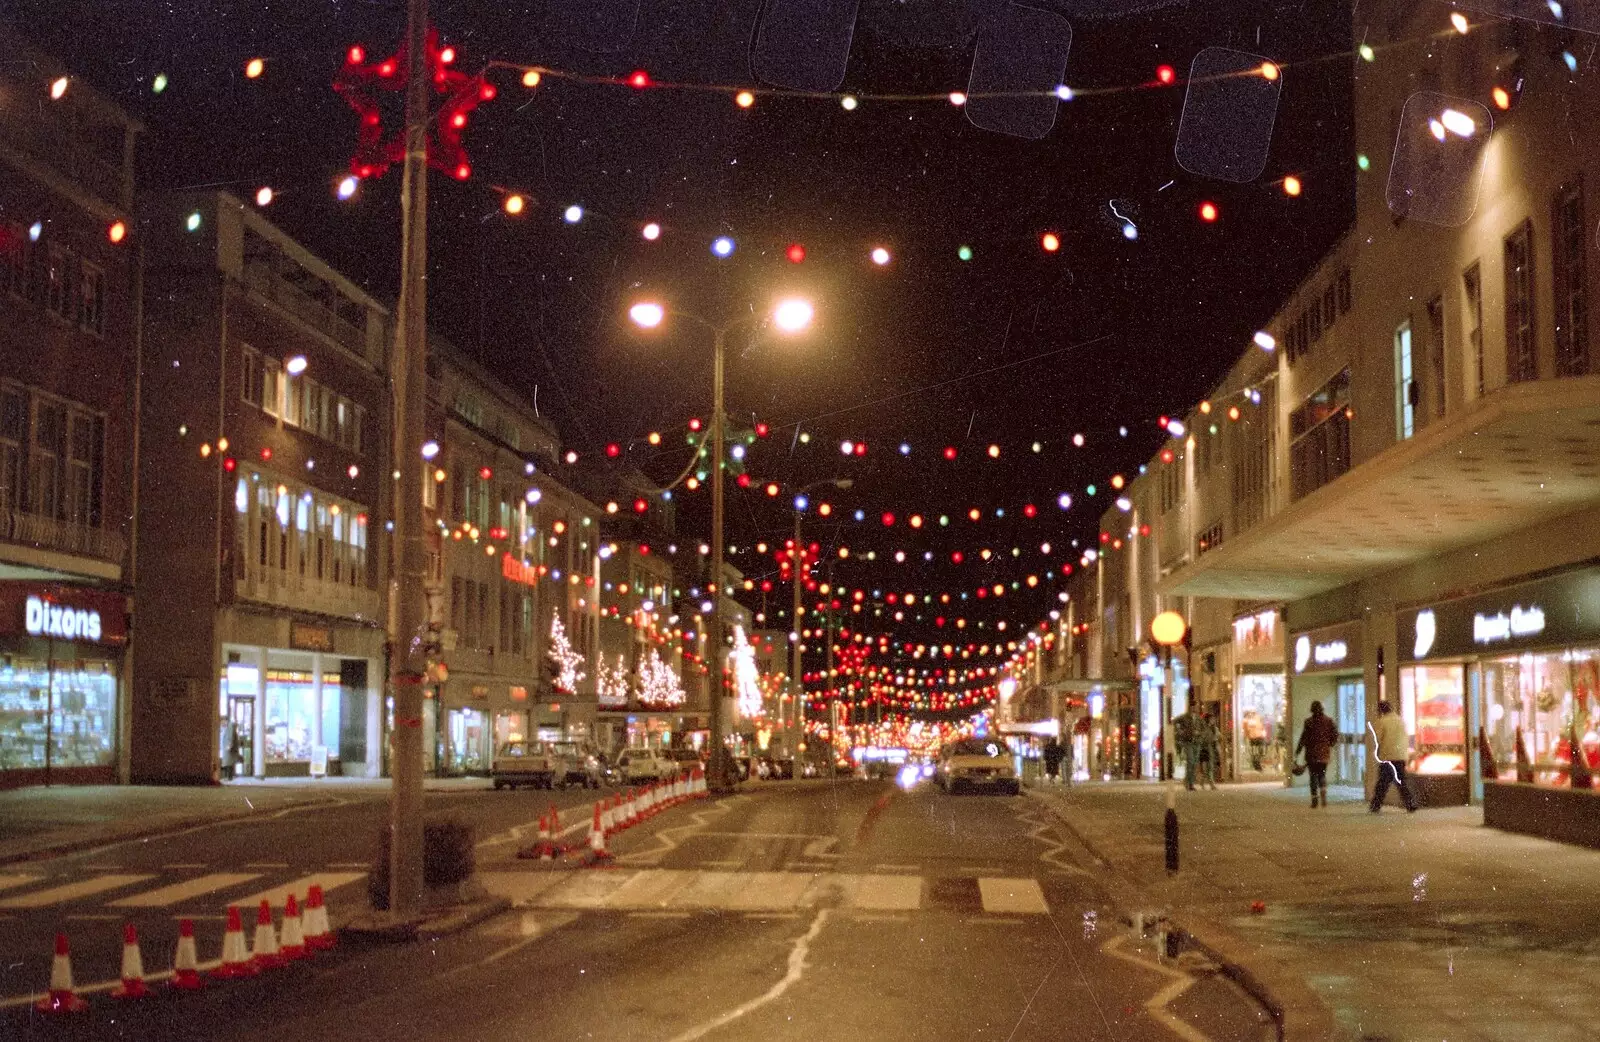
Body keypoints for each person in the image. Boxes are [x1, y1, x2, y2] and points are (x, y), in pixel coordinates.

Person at [1368, 700, 1417, 813]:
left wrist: (1376, 752)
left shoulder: (1382, 721)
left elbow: (1378, 739)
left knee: (1382, 783)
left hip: (1388, 756)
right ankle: (1410, 804)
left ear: (1381, 710)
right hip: (1401, 756)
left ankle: (1376, 805)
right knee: (1401, 782)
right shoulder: (1401, 721)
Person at [1295, 700, 1339, 808]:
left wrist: (1298, 751)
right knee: (1322, 774)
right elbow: (1335, 735)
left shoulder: (1308, 722)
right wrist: (1330, 744)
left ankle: (1314, 800)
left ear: (1312, 710)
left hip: (1311, 754)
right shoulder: (1329, 721)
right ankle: (1323, 792)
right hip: (1324, 753)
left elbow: (1303, 738)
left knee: (1313, 777)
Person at [1175, 708, 1199, 789]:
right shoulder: (1184, 717)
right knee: (1190, 761)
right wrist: (1181, 731)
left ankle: (1189, 782)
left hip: (1195, 742)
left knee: (1194, 763)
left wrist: (1199, 734)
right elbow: (1175, 721)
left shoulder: (1198, 718)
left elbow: (1202, 728)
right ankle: (1189, 783)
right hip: (1187, 741)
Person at [1197, 708, 1221, 789]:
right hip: (1205, 749)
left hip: (1212, 749)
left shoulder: (1214, 728)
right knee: (1205, 768)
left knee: (1210, 767)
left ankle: (1206, 783)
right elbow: (1202, 738)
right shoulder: (1204, 728)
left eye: (1213, 719)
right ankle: (1209, 783)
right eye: (1211, 719)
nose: (1213, 720)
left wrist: (1217, 738)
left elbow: (1219, 736)